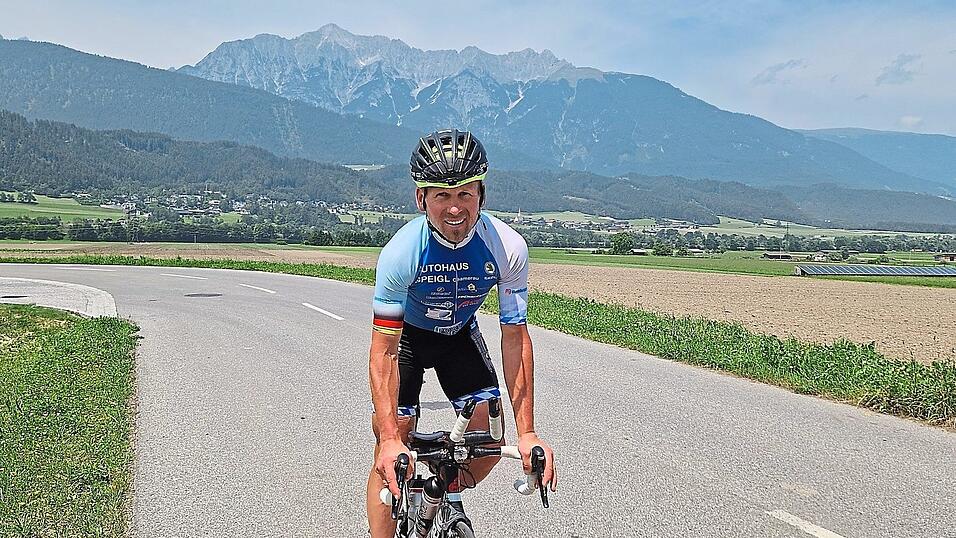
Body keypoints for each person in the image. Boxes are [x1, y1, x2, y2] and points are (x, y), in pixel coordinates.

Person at [366, 129, 557, 536]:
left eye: (464, 195)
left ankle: (446, 491)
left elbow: (515, 337)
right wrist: (387, 440)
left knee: (489, 436)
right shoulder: (402, 253)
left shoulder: (506, 247)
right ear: (421, 199)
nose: (455, 209)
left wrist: (529, 434)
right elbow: (384, 352)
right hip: (409, 340)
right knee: (392, 454)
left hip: (458, 335)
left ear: (481, 196)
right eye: (442, 196)